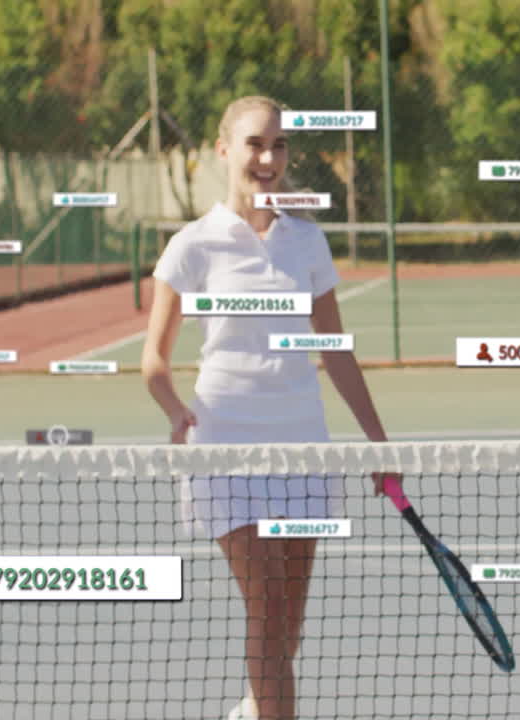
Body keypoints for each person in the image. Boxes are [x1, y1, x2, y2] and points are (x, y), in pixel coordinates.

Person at [141, 95, 394, 720]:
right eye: (255, 144)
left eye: (279, 145)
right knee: (268, 610)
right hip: (226, 447)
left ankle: (254, 710)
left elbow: (334, 352)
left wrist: (379, 443)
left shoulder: (307, 243)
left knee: (286, 627)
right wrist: (175, 409)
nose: (268, 157)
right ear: (225, 151)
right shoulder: (191, 247)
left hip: (303, 448)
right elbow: (154, 359)